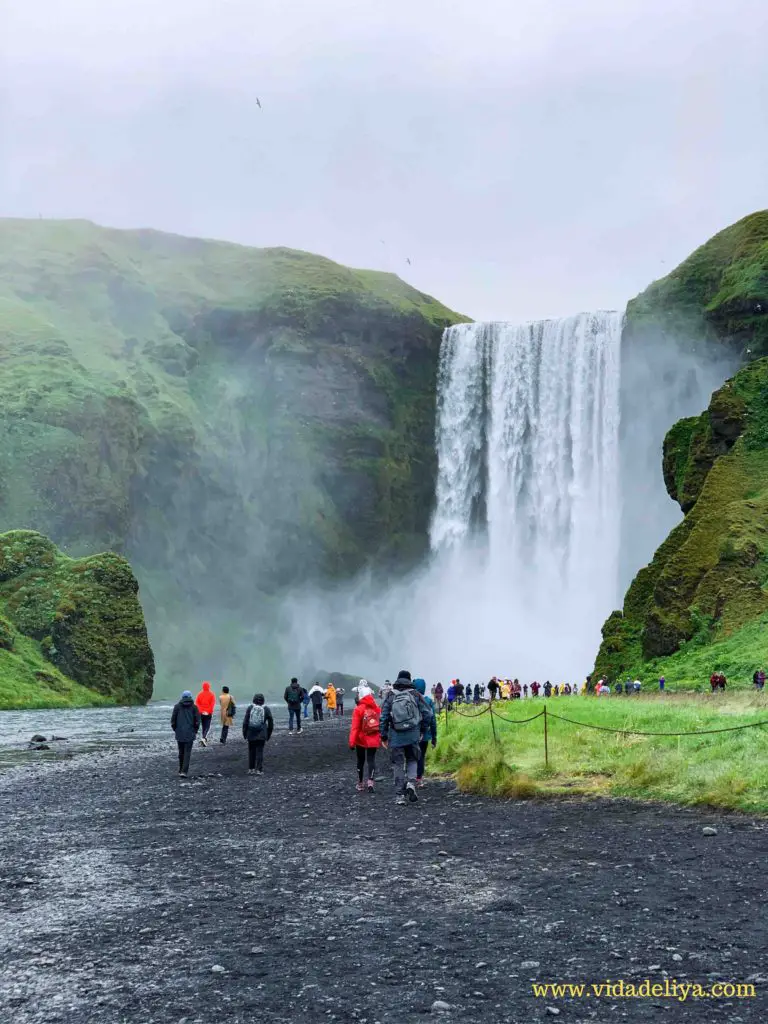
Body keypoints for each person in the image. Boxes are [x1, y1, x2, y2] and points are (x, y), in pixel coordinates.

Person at [380, 669, 434, 805]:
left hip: (396, 735)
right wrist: (422, 729)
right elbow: (428, 714)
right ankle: (411, 783)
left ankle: (399, 796)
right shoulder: (415, 694)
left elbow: (383, 716)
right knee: (412, 760)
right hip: (413, 734)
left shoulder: (391, 695)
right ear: (410, 680)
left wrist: (383, 736)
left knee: (398, 764)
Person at [348, 682, 381, 791]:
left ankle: (360, 783)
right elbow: (380, 723)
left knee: (360, 760)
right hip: (373, 737)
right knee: (371, 759)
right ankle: (371, 782)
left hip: (360, 739)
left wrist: (352, 742)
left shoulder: (358, 709)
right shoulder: (377, 708)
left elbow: (355, 728)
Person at [242, 693, 274, 774]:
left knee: (251, 750)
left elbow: (245, 721)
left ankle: (251, 769)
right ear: (263, 701)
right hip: (262, 733)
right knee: (260, 751)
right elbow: (271, 723)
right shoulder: (266, 709)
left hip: (250, 733)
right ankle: (259, 770)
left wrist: (244, 733)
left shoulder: (250, 708)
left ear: (254, 700)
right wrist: (268, 734)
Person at [414, 678, 438, 786]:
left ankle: (411, 777)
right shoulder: (428, 701)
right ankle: (419, 778)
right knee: (421, 756)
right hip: (425, 734)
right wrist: (434, 737)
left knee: (411, 756)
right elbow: (432, 720)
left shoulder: (410, 699)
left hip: (412, 733)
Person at [171, 690, 201, 777]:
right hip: (190, 733)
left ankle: (180, 770)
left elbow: (173, 721)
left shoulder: (177, 707)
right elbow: (197, 721)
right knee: (187, 753)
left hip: (179, 732)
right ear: (190, 697)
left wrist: (176, 729)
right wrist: (195, 730)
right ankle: (184, 771)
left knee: (181, 752)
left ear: (182, 697)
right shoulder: (194, 707)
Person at [195, 681, 216, 745]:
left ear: (203, 687)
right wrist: (208, 711)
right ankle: (204, 737)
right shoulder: (212, 694)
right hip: (208, 713)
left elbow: (197, 703)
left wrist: (200, 710)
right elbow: (212, 704)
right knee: (207, 726)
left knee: (203, 725)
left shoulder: (199, 694)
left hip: (201, 713)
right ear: (209, 687)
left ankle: (203, 737)